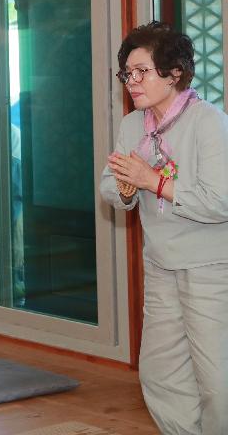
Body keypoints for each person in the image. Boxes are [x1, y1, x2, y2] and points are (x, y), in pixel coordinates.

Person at [100, 22, 228, 435]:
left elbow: (220, 200)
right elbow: (110, 184)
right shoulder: (132, 125)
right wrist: (125, 184)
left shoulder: (209, 123)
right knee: (159, 373)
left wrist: (152, 181)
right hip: (160, 263)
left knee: (218, 381)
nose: (132, 82)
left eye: (142, 72)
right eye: (127, 74)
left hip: (212, 267)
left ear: (174, 73)